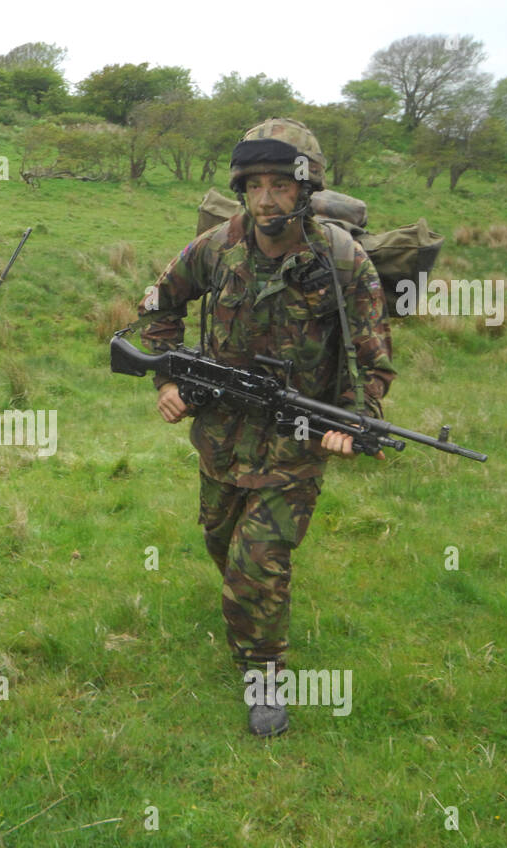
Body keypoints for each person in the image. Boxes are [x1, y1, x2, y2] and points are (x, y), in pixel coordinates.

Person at [135, 118, 396, 737]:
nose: (267, 197)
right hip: (221, 439)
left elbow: (370, 357)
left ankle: (265, 677)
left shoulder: (342, 261)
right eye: (255, 185)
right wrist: (167, 381)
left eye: (282, 184)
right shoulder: (218, 247)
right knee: (221, 545)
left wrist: (357, 422)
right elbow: (160, 303)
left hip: (295, 444)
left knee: (260, 562)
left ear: (306, 191)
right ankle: (247, 609)